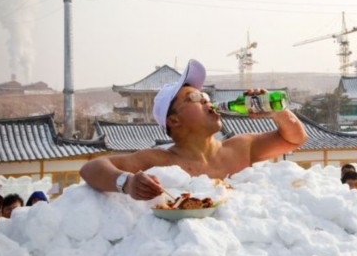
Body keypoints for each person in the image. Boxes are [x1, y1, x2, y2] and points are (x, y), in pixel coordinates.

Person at [80, 59, 308, 200]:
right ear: (174, 121)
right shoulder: (160, 160)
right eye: (195, 98)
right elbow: (91, 168)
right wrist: (127, 183)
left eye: (207, 96)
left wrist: (277, 112)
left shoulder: (240, 146)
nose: (207, 101)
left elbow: (294, 139)